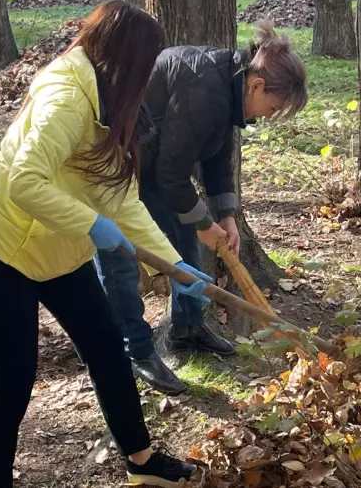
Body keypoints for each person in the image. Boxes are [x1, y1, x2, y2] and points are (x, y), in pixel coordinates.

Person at [0, 0, 208, 488]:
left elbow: (124, 201)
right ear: (126, 62)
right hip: (2, 249)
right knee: (12, 380)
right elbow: (23, 182)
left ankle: (141, 463)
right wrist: (93, 224)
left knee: (107, 351)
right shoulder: (66, 99)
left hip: (59, 253)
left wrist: (176, 266)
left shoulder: (109, 103)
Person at [95, 22, 309, 395]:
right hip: (116, 159)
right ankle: (135, 351)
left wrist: (225, 215)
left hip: (154, 163)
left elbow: (215, 158)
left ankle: (188, 328)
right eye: (272, 108)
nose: (265, 118)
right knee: (122, 253)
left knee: (184, 243)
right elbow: (173, 175)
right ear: (257, 86)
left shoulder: (227, 82)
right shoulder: (205, 89)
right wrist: (205, 225)